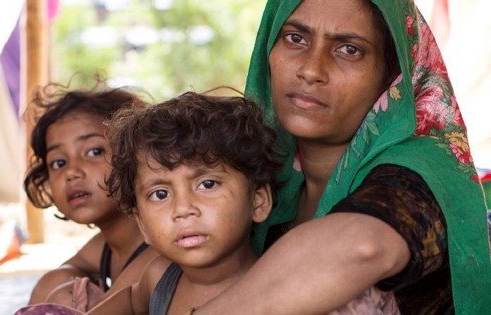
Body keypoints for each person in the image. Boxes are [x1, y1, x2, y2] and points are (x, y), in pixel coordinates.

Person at [192, 0, 491, 314]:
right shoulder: (256, 174)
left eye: (349, 49)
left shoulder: (422, 177)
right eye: (295, 38)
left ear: (392, 76)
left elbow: (367, 246)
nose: (311, 70)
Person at [83, 90, 283, 315]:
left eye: (207, 184)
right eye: (160, 194)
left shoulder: (274, 292)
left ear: (258, 201)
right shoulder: (159, 276)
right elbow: (130, 299)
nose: (183, 209)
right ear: (142, 224)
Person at [19, 82, 158, 312]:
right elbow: (57, 279)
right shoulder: (104, 246)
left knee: (64, 295)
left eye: (94, 151)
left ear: (135, 156)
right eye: (59, 162)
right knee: (54, 284)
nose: (71, 172)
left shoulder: (157, 247)